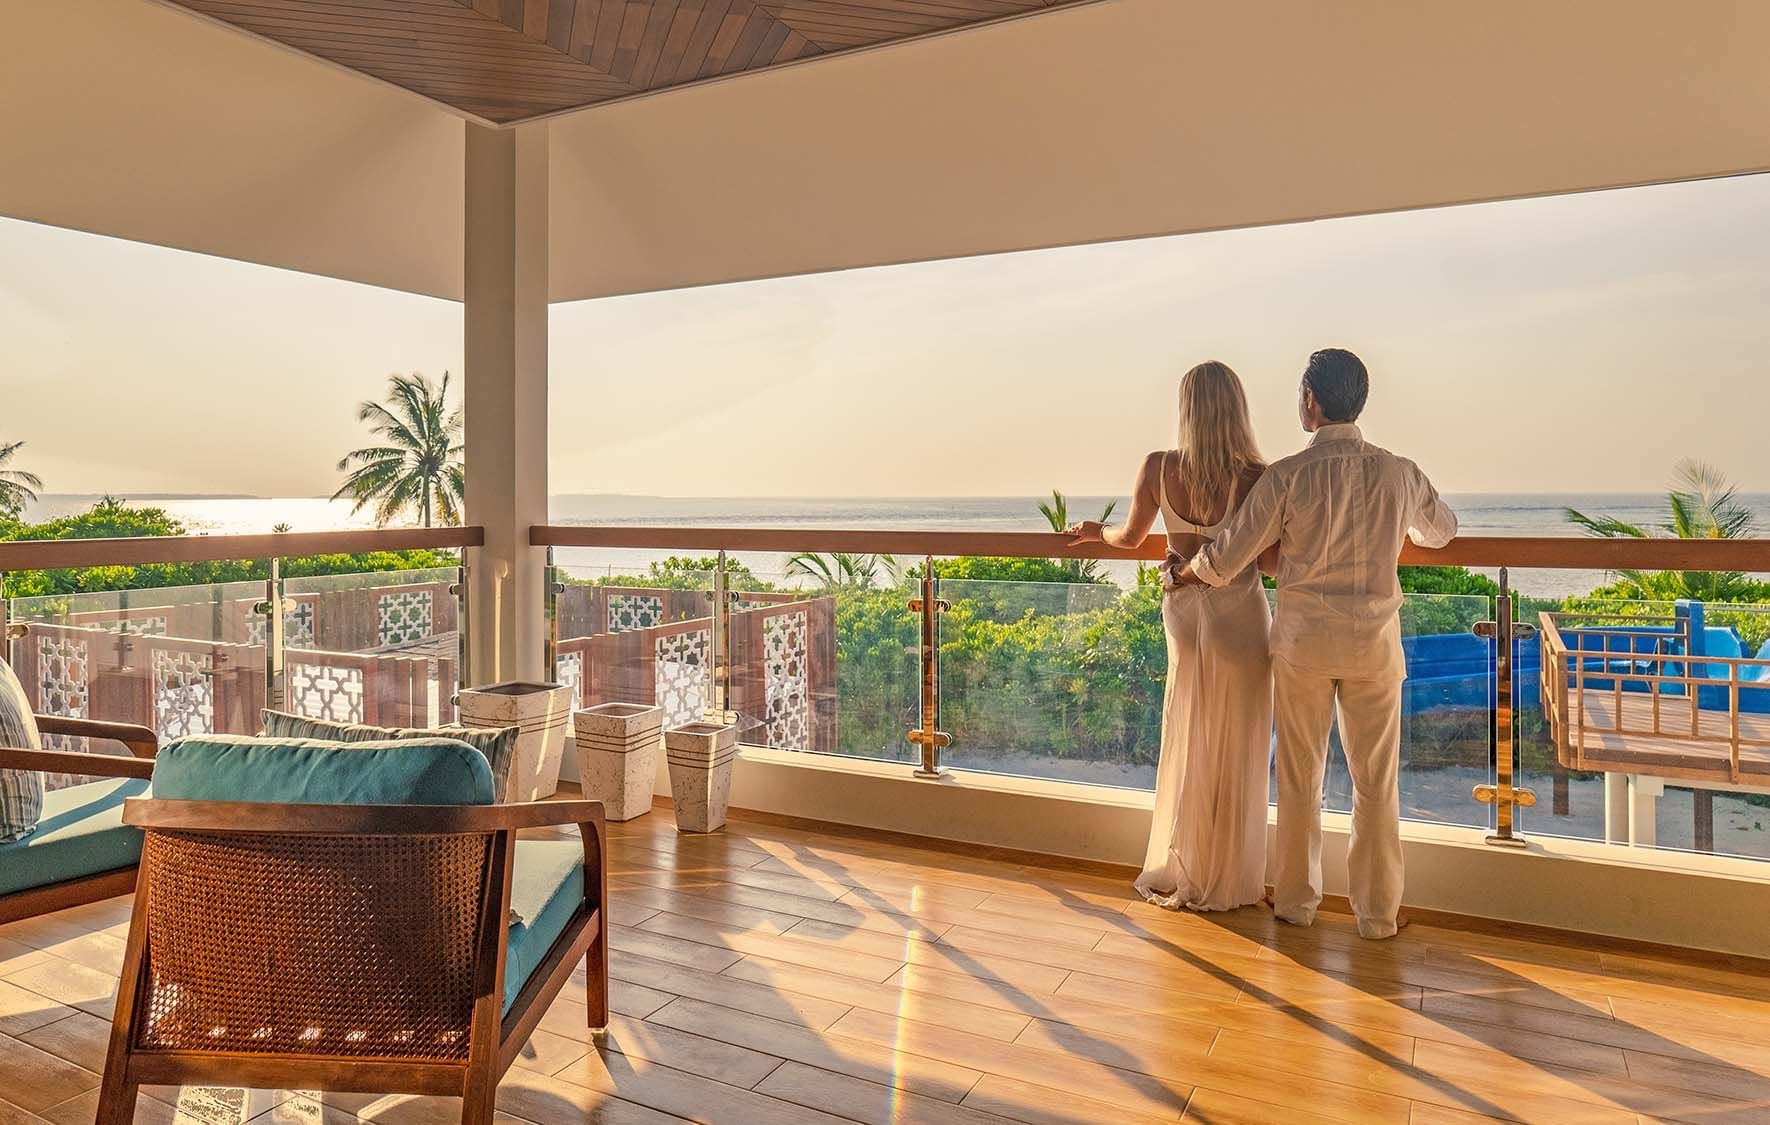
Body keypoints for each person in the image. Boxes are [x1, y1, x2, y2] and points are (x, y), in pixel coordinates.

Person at [1169, 348, 1458, 939]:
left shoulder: (1286, 477)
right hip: (1374, 646)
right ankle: (1377, 916)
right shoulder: (1399, 472)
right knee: (1376, 781)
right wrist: (1394, 530)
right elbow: (1444, 531)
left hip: (1302, 645)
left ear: (1310, 401)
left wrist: (1183, 573)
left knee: (1302, 776)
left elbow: (1226, 559)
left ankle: (1296, 903)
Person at [1067, 361, 1275, 911]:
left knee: (1189, 725)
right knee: (1238, 740)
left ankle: (1184, 860)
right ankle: (1231, 874)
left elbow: (1131, 536)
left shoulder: (1159, 467)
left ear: (1187, 409)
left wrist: (1095, 531)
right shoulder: (1257, 476)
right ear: (1237, 408)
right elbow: (1273, 562)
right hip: (1242, 614)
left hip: (1182, 609)